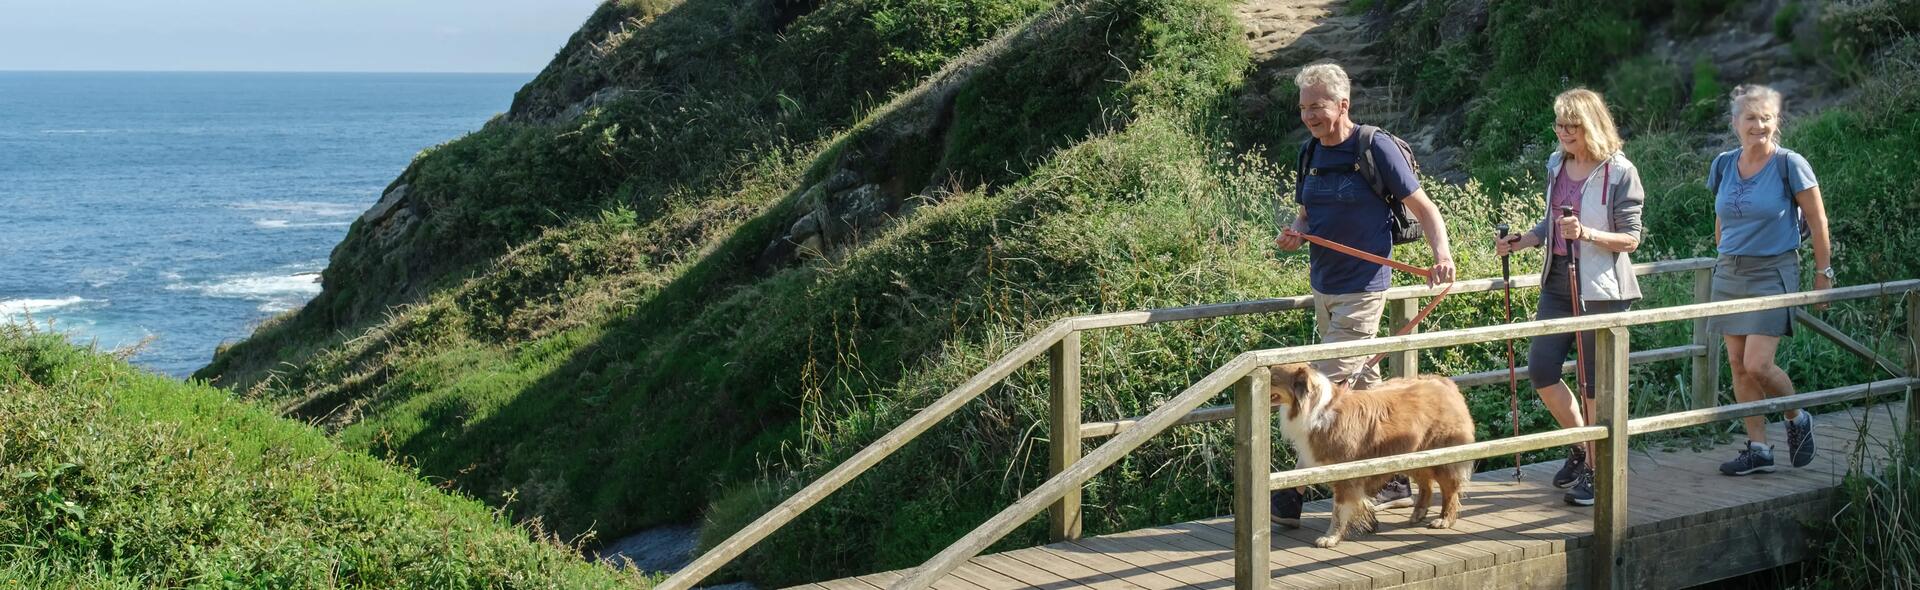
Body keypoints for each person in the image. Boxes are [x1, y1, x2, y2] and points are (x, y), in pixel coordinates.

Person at [1271, 63, 1455, 526]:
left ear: (1342, 105)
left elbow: (1425, 209)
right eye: (1303, 107)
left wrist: (1443, 256)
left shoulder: (1375, 147)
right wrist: (1296, 232)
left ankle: (1288, 491)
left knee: (1323, 387)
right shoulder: (1310, 152)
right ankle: (1390, 478)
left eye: (1317, 105)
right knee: (1361, 386)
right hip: (1323, 286)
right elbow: (1307, 213)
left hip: (1365, 287)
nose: (1309, 115)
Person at [1495, 88, 1646, 507]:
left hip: (1602, 290)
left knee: (1595, 386)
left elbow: (1631, 239)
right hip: (1559, 282)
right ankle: (1582, 447)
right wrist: (1523, 241)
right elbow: (1552, 222)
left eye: (1571, 125)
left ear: (1591, 125)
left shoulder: (1620, 172)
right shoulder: (1556, 164)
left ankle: (1600, 472)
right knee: (1541, 369)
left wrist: (1588, 234)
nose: (1562, 131)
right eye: (1559, 123)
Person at [1705, 84, 1833, 476]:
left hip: (1773, 270)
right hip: (1730, 271)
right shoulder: (1724, 163)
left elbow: (1817, 219)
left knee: (1758, 364)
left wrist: (1822, 274)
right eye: (1751, 118)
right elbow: (1722, 214)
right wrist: (1723, 248)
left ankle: (1797, 418)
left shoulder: (1789, 163)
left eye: (1766, 118)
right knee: (1737, 365)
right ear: (1735, 123)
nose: (1758, 125)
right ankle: (1758, 448)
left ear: (1776, 122)